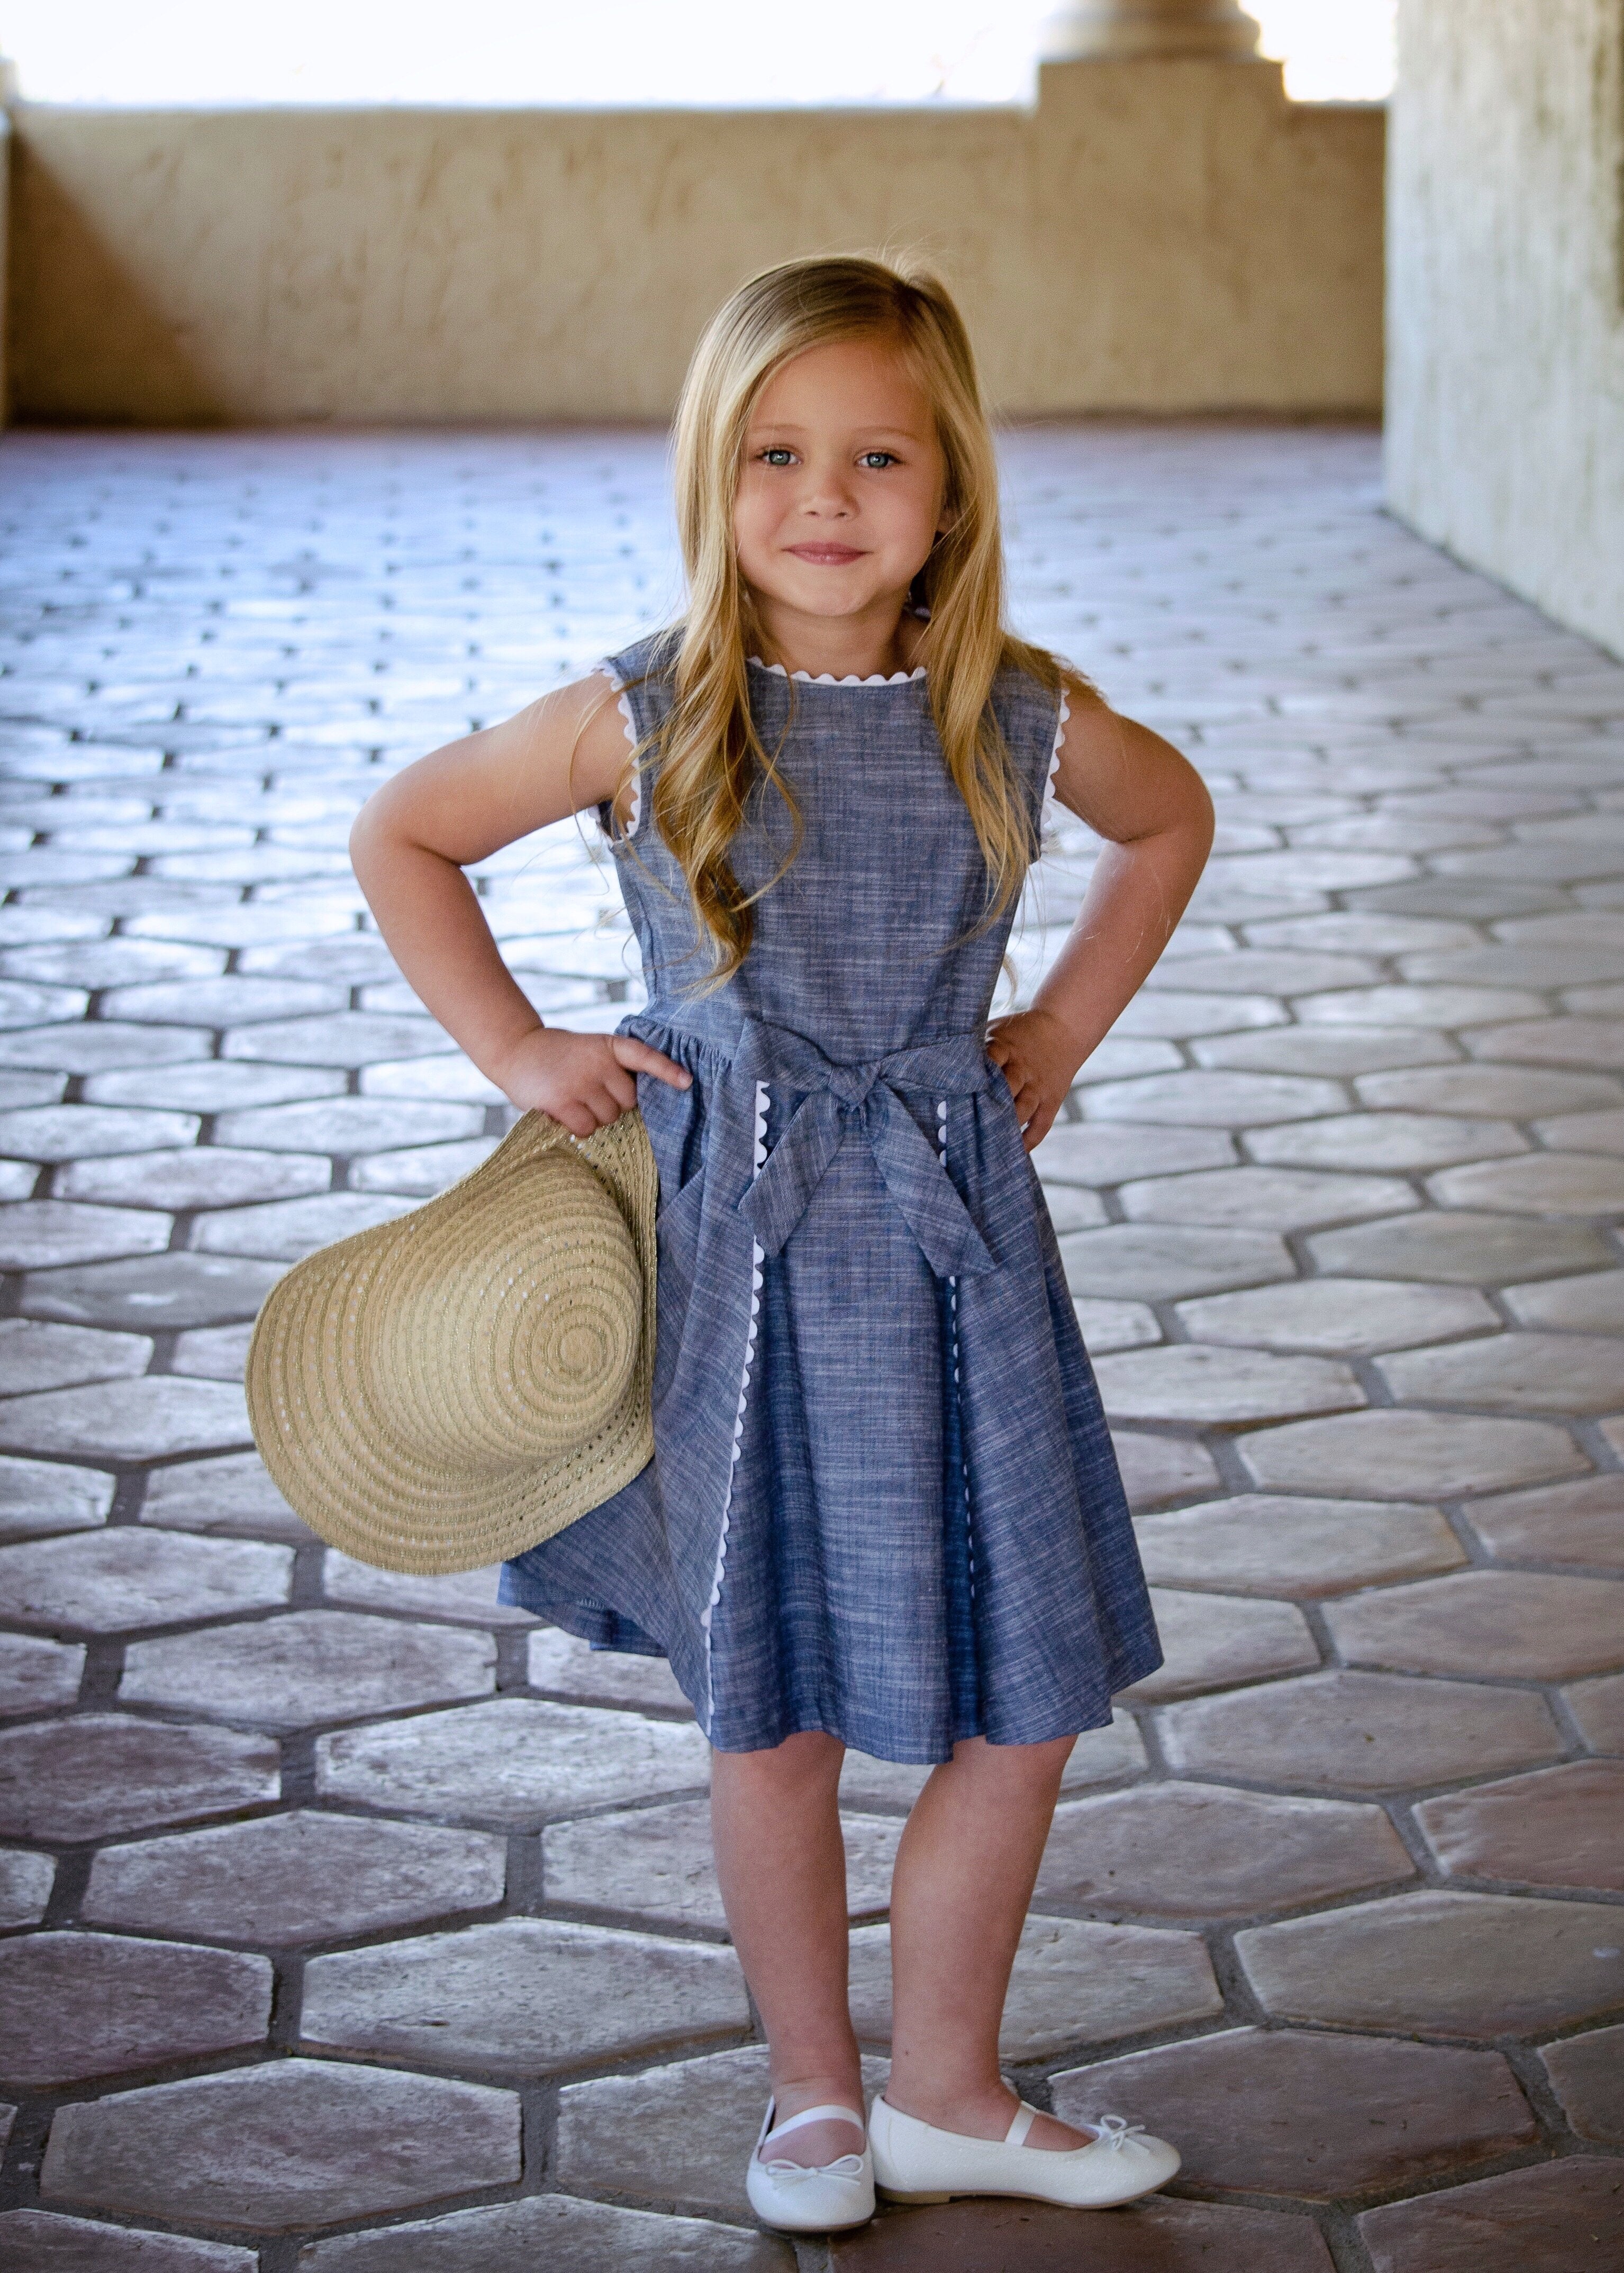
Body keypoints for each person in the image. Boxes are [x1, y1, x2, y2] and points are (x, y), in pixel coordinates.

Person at [349, 254, 1213, 2233]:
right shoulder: (649, 711)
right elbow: (407, 831)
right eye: (775, 455)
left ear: (953, 483)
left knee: (1031, 1691)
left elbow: (1172, 824)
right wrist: (521, 1046)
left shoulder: (1015, 711)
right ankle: (814, 2100)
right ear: (712, 478)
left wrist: (1060, 1028)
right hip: (740, 1259)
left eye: (877, 455)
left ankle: (951, 2086)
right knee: (777, 1695)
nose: (825, 498)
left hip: (956, 1265)